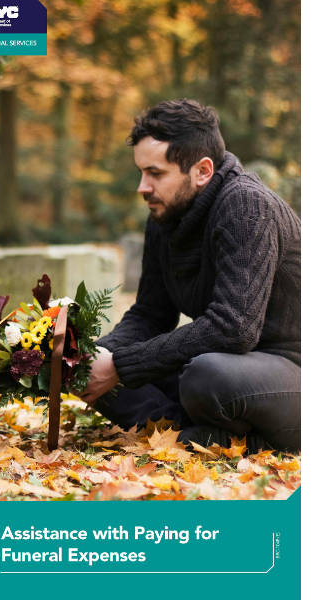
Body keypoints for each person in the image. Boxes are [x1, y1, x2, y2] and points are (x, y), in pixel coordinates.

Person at [76, 99, 301, 453]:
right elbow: (151, 314)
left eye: (156, 173)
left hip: (292, 370)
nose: (142, 187)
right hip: (232, 369)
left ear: (202, 171)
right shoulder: (165, 217)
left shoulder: (246, 207)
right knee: (93, 370)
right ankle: (187, 434)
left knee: (205, 375)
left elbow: (234, 328)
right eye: (140, 172)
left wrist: (120, 364)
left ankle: (242, 439)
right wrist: (94, 355)